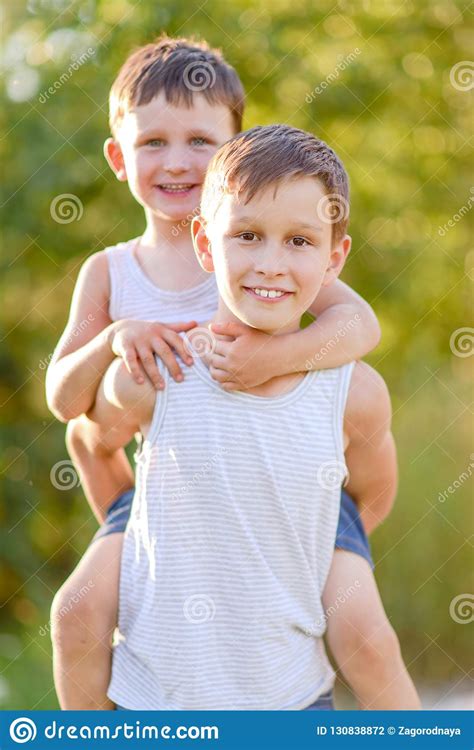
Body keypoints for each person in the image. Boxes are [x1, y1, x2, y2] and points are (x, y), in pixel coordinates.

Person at [45, 36, 388, 710]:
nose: (177, 162)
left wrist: (274, 355)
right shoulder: (109, 273)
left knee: (365, 637)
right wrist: (115, 339)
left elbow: (360, 328)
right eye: (153, 143)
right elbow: (66, 402)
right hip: (169, 488)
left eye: (200, 141)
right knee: (77, 614)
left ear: (235, 146)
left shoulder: (255, 249)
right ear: (119, 157)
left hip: (290, 479)